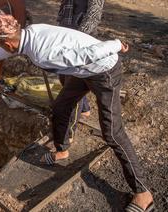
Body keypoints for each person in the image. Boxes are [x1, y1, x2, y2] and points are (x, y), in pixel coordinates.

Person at [0, 15, 154, 211]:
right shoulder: (29, 33)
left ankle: (143, 193)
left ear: (7, 42)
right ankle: (62, 150)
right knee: (61, 107)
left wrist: (116, 44)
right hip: (83, 72)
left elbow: (89, 54)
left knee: (112, 132)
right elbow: (12, 48)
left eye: (0, 44)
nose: (3, 47)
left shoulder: (43, 53)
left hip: (104, 71)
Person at [56, 0, 106, 143]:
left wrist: (76, 39)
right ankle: (85, 110)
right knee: (63, 78)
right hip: (65, 37)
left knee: (71, 88)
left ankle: (68, 135)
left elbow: (93, 17)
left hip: (79, 42)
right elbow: (63, 9)